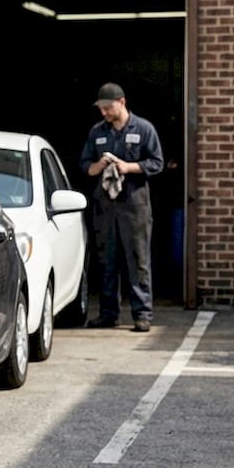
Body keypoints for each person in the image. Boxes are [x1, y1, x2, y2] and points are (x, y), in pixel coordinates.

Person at [79, 82, 164, 332]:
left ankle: (142, 314)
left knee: (137, 259)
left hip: (135, 205)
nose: (104, 112)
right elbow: (85, 164)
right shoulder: (97, 132)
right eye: (101, 108)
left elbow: (157, 162)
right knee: (107, 260)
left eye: (108, 107)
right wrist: (97, 167)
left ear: (122, 102)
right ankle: (108, 314)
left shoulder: (144, 129)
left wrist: (129, 167)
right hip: (105, 207)